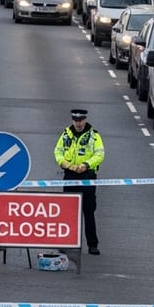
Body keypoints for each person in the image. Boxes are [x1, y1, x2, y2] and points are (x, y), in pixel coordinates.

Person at [54, 108, 106, 255]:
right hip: (70, 176)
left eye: (81, 120)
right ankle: (66, 244)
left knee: (88, 211)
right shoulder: (66, 134)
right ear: (73, 120)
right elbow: (57, 152)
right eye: (76, 120)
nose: (78, 123)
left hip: (87, 176)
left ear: (85, 120)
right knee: (68, 212)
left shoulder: (94, 135)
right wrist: (65, 164)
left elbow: (100, 154)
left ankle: (92, 245)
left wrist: (86, 165)